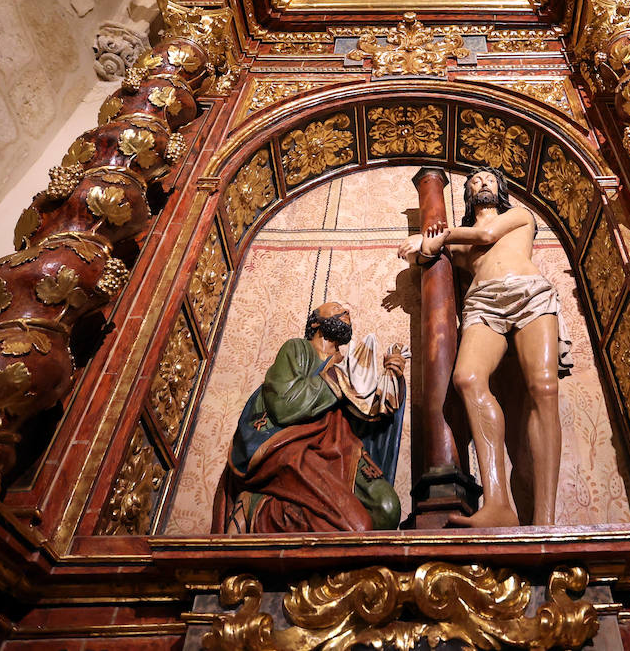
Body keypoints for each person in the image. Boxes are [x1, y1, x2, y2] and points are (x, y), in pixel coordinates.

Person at [398, 168, 570, 527]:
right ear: (468, 196)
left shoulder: (518, 216)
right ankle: (497, 504)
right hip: (483, 303)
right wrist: (425, 247)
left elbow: (484, 233)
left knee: (543, 387)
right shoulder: (460, 243)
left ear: (501, 188)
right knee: (467, 378)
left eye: (488, 179)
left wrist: (434, 237)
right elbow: (429, 255)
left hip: (529, 292)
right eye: (474, 182)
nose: (482, 184)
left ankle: (546, 519)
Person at [212, 301, 407, 533]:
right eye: (336, 308)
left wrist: (391, 378)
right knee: (358, 525)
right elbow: (285, 406)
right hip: (296, 445)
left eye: (347, 310)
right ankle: (255, 508)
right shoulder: (297, 349)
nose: (346, 311)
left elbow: (363, 421)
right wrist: (338, 377)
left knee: (386, 510)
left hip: (341, 446)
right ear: (315, 321)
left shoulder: (348, 365)